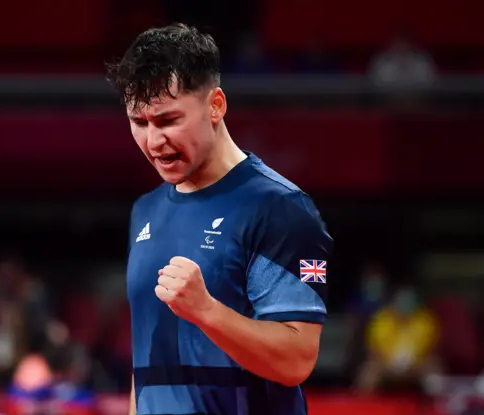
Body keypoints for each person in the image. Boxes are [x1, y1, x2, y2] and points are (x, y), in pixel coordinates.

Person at [105, 23, 333, 415]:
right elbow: (144, 363)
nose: (153, 141)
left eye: (168, 120)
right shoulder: (145, 210)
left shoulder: (279, 208)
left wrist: (206, 310)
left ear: (216, 105)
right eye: (139, 123)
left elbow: (296, 360)